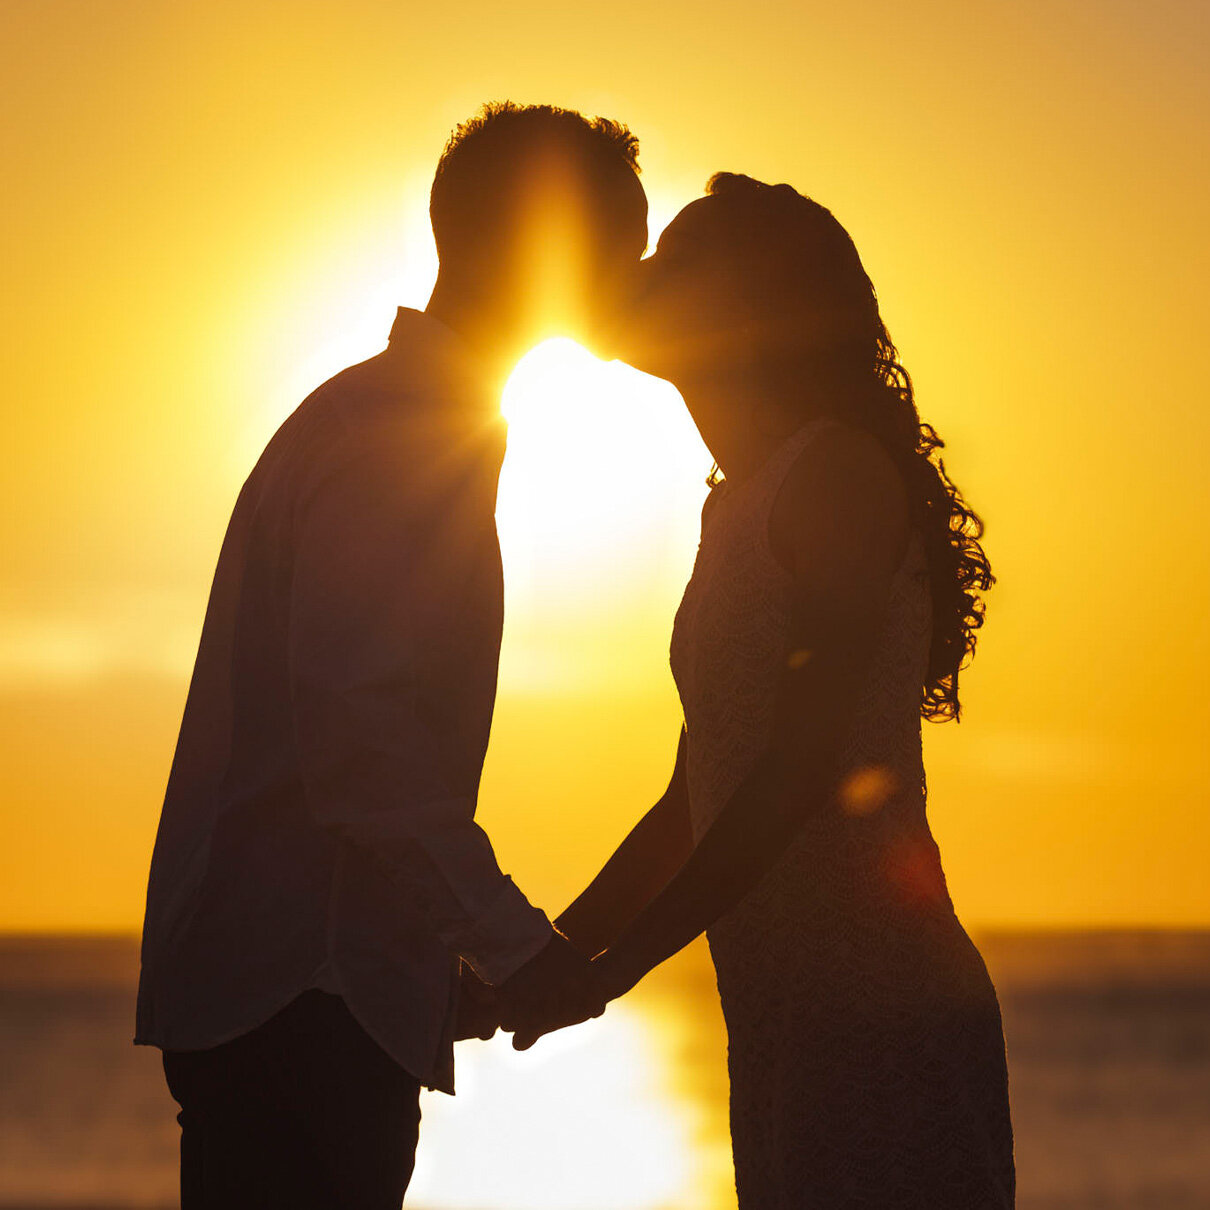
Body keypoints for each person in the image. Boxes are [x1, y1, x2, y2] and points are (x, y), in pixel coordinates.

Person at [135, 102, 648, 1209]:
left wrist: (436, 957)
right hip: (301, 1003)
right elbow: (363, 752)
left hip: (292, 992)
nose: (639, 271)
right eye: (624, 241)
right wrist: (518, 949)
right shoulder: (401, 437)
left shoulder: (383, 418)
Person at [515, 174, 1015, 1208]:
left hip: (883, 1010)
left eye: (676, 260)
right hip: (785, 1012)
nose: (641, 274)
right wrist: (555, 949)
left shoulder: (833, 475)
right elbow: (698, 792)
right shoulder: (734, 506)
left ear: (751, 309)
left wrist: (604, 974)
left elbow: (795, 772)